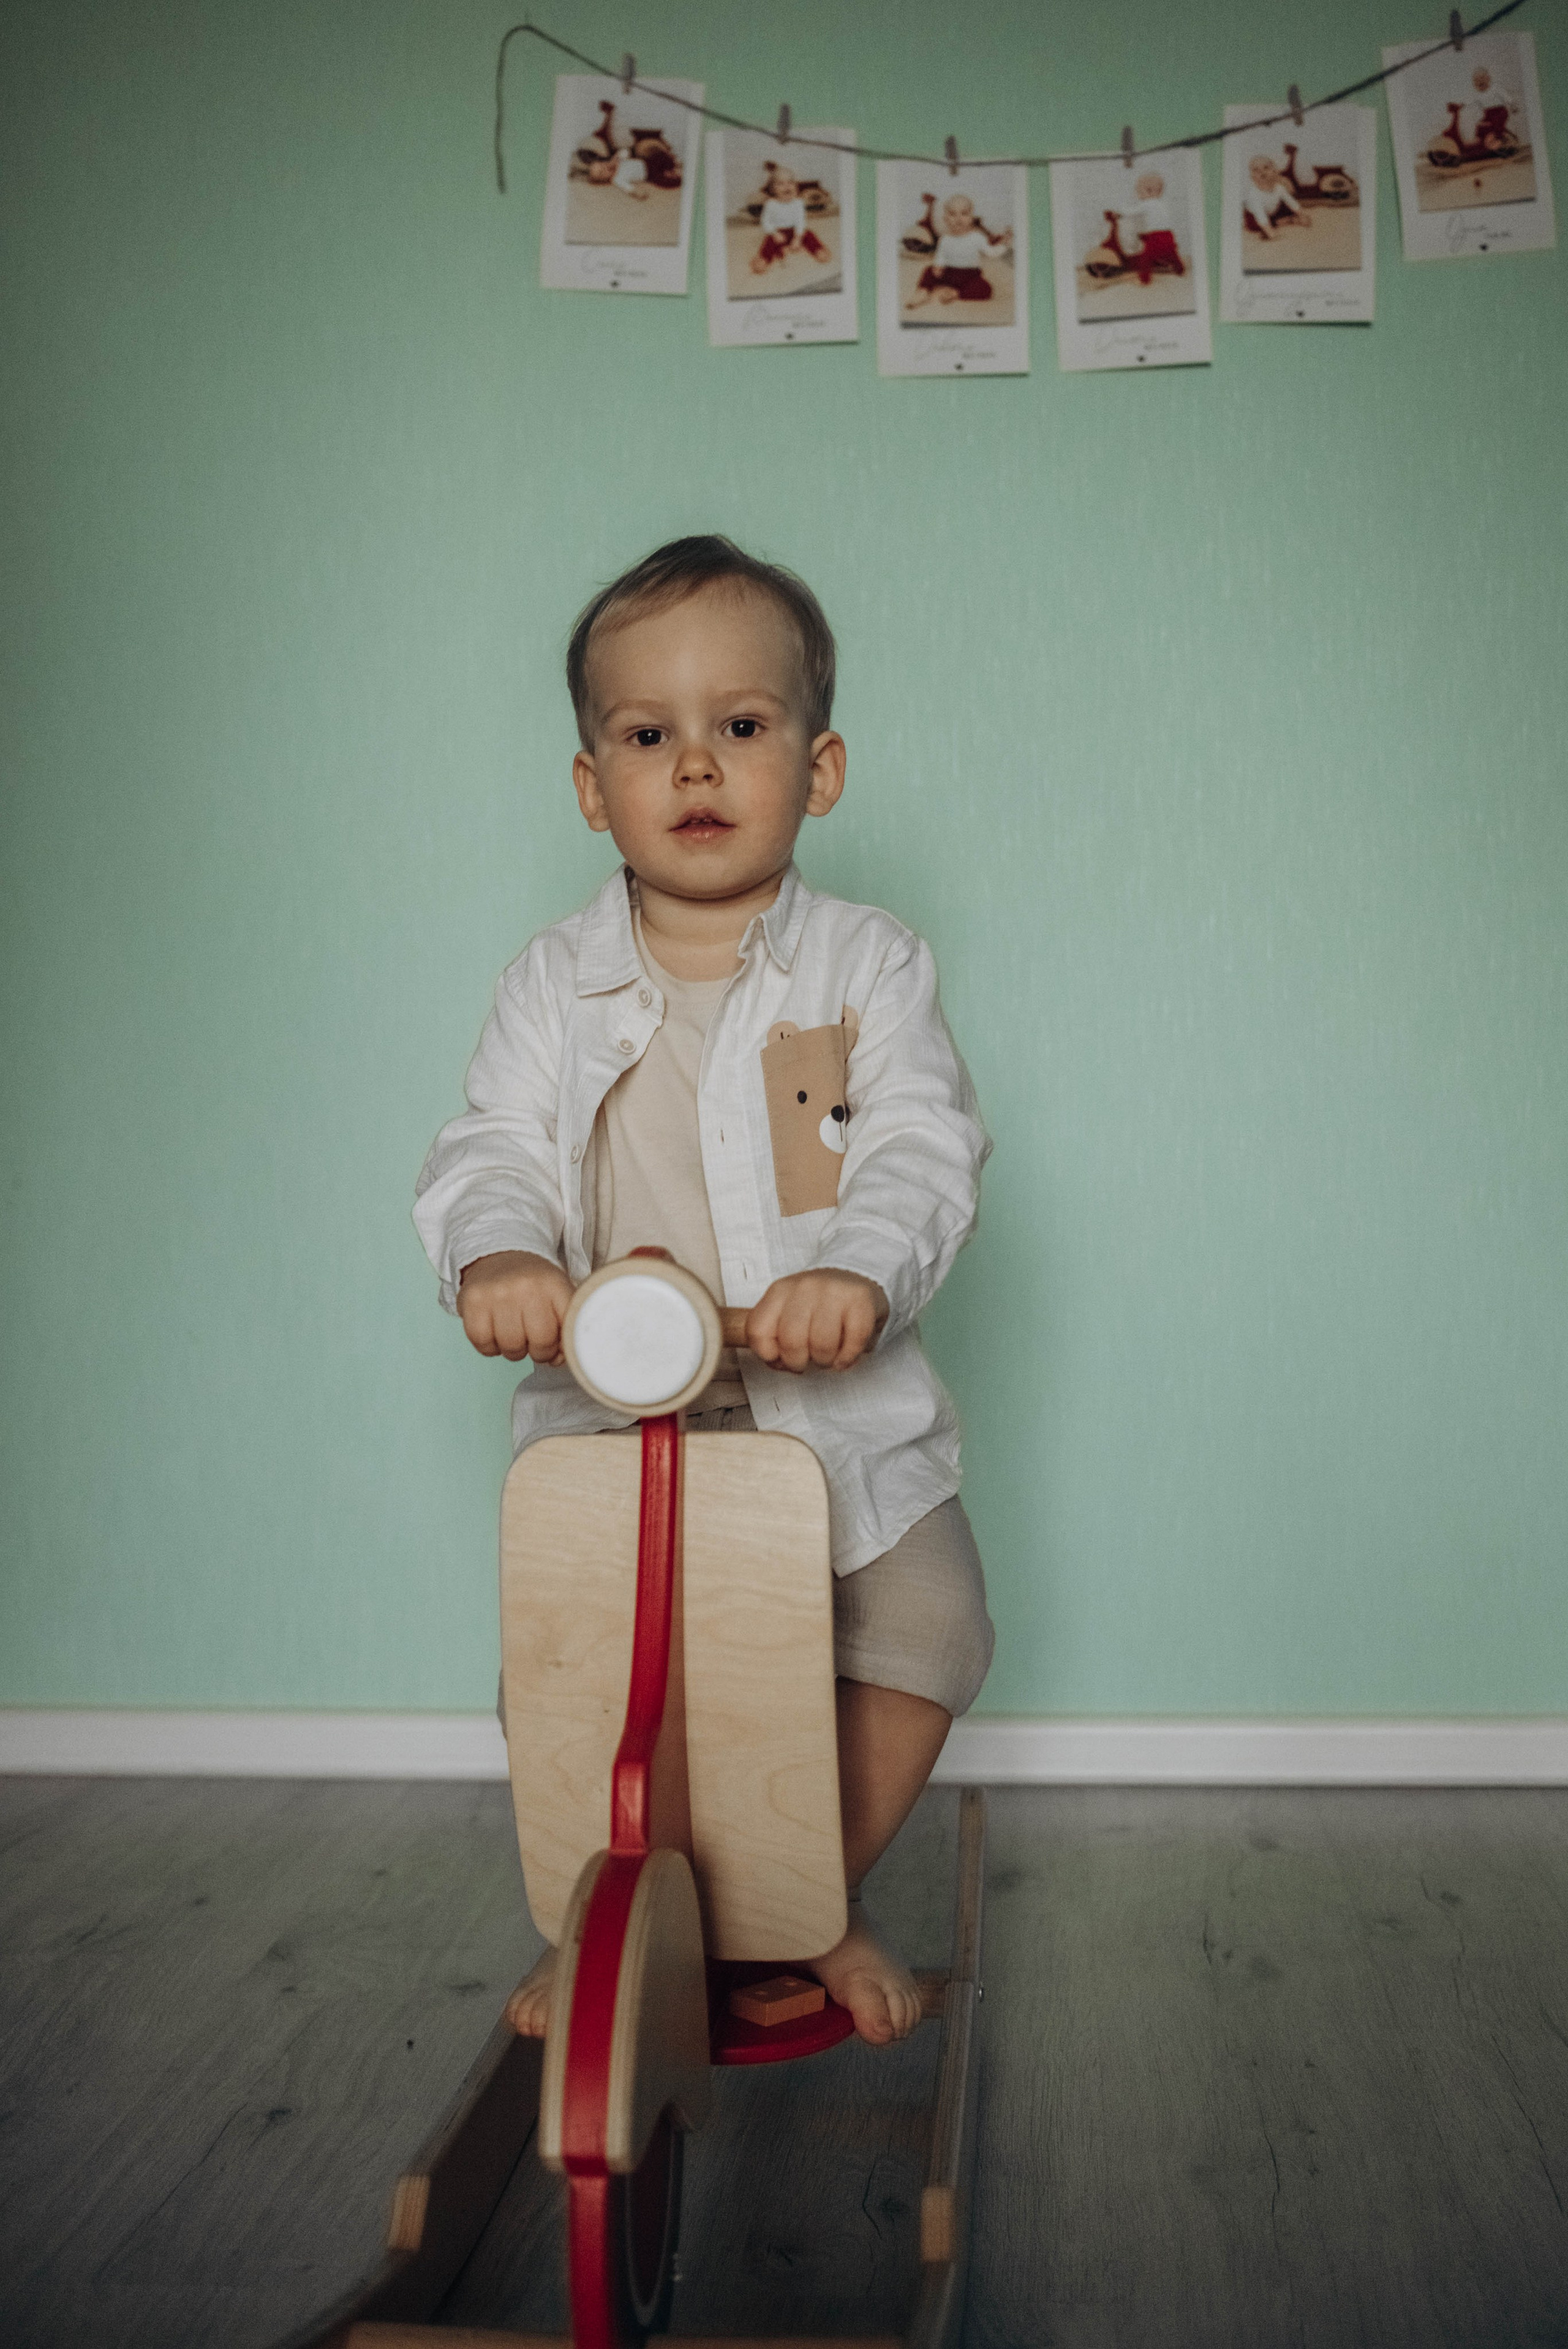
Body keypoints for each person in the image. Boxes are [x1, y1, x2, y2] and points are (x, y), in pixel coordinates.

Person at [414, 536, 993, 2048]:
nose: (693, 763)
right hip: (614, 1401)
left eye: (739, 724)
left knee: (926, 1621)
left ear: (820, 766)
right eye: (644, 732)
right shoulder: (551, 983)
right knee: (578, 1670)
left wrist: (855, 1271)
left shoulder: (865, 967)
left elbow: (920, 1147)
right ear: (589, 785)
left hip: (827, 1401)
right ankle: (603, 1921)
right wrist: (501, 1257)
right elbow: (491, 1145)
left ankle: (802, 1901)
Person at [905, 190, 1012, 307]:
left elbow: (991, 252)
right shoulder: (945, 239)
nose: (958, 218)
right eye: (952, 214)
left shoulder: (977, 238)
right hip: (948, 272)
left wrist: (1004, 245)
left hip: (970, 276)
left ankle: (956, 293)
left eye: (964, 214)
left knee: (985, 289)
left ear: (971, 218)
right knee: (929, 271)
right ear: (946, 219)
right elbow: (941, 255)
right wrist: (938, 265)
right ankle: (923, 291)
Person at [750, 162, 832, 274]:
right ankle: (764, 259)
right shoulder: (770, 204)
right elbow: (765, 222)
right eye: (781, 184)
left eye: (790, 182)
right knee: (769, 242)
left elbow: (800, 222)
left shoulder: (798, 203)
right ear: (773, 189)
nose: (787, 187)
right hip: (778, 232)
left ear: (796, 186)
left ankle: (818, 250)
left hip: (795, 231)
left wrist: (798, 238)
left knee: (809, 235)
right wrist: (774, 233)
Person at [1120, 170, 1185, 285]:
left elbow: (1132, 212)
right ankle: (1180, 270)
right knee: (1172, 254)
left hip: (1156, 237)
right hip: (1168, 235)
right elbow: (1160, 221)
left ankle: (1144, 279)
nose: (1138, 195)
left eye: (1139, 192)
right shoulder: (1162, 204)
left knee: (1146, 258)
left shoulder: (1148, 204)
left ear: (1149, 191)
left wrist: (1120, 213)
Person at [1243, 154, 1308, 241]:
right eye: (1256, 170)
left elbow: (1291, 202)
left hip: (1274, 211)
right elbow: (1260, 214)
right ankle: (1278, 222)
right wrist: (1270, 231)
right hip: (1256, 214)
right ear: (1252, 177)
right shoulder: (1254, 195)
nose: (1262, 172)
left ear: (1274, 171)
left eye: (1266, 168)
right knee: (1253, 225)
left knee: (1286, 206)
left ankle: (1280, 220)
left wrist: (1302, 215)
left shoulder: (1279, 188)